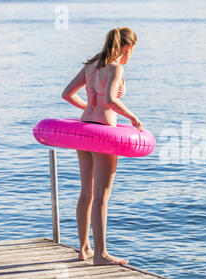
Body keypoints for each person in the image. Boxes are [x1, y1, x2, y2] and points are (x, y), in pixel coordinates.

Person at [61, 27, 143, 265]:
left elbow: (67, 93)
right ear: (127, 47)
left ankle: (84, 248)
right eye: (133, 49)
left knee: (85, 193)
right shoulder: (116, 68)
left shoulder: (91, 65)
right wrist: (132, 117)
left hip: (85, 130)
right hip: (104, 136)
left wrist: (88, 108)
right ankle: (101, 254)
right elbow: (110, 99)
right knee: (101, 197)